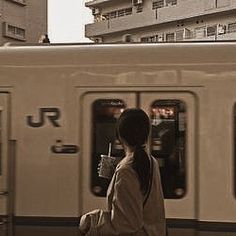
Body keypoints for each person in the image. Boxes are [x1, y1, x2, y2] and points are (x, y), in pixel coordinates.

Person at [79, 108, 166, 236]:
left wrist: (92, 221)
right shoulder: (151, 161)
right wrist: (115, 176)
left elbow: (127, 225)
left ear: (120, 136)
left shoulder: (126, 170)